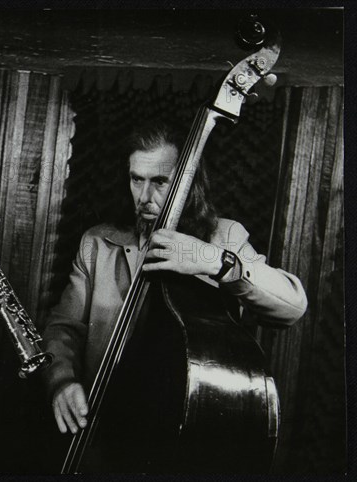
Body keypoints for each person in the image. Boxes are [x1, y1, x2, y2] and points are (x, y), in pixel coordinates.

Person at [41, 120, 308, 464]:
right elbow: (63, 328)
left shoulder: (223, 237)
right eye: (137, 179)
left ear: (188, 182)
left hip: (186, 434)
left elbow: (292, 306)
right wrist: (61, 381)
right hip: (108, 430)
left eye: (159, 182)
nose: (145, 197)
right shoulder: (97, 243)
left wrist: (216, 262)